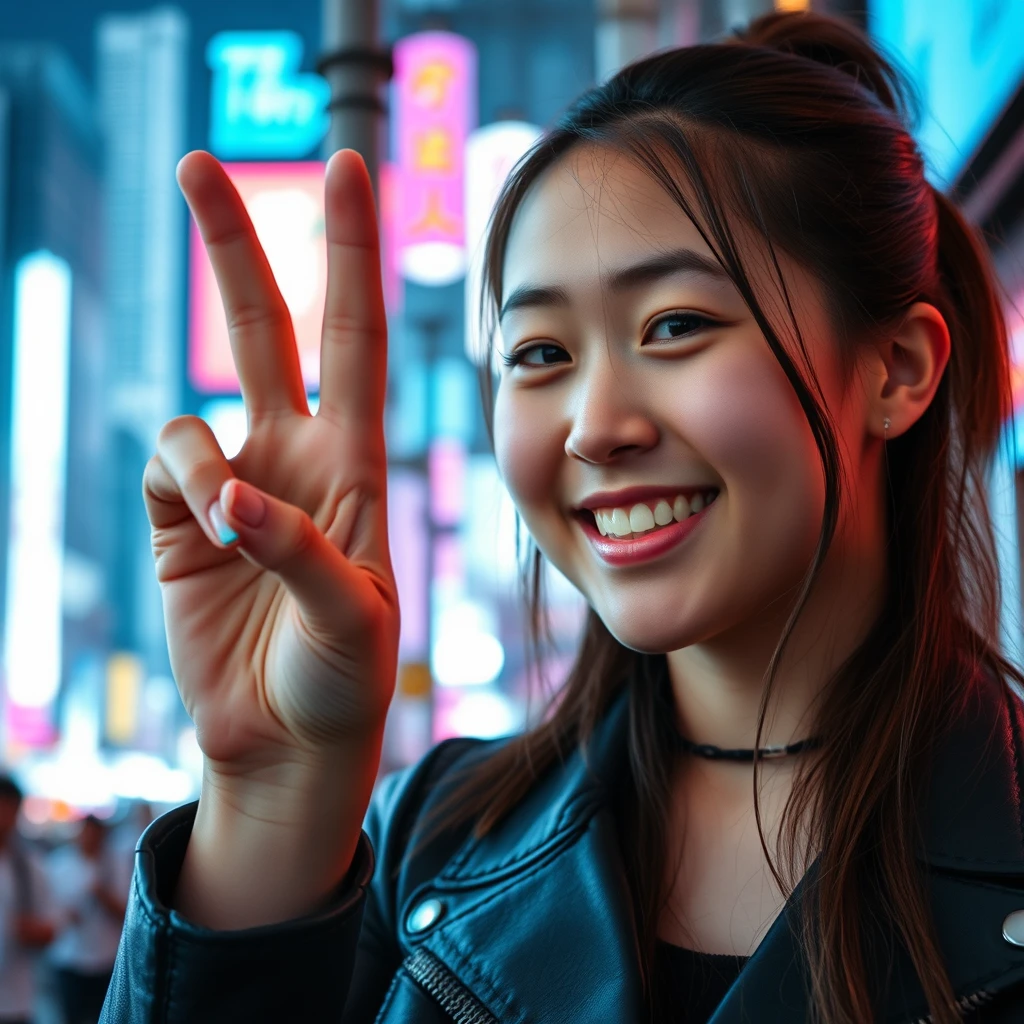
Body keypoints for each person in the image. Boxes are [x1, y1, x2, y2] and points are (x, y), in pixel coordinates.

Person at [100, 10, 1024, 1023]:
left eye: (674, 325)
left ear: (894, 370)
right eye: (540, 353)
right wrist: (272, 790)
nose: (595, 427)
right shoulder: (434, 842)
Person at [46, 816, 130, 1024]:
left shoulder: (116, 864)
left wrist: (102, 895)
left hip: (106, 960)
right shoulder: (58, 863)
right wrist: (65, 915)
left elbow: (127, 915)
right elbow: (47, 909)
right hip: (68, 957)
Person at [0, 775, 56, 1024]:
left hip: (15, 1001)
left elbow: (51, 928)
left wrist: (37, 932)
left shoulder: (30, 867)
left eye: (8, 808)